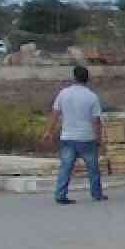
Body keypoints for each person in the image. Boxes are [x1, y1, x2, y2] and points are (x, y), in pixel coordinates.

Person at [44, 65, 106, 204]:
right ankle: (97, 194)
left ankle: (60, 194)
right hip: (86, 138)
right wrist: (99, 139)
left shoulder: (63, 93)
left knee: (65, 167)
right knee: (93, 168)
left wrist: (48, 131)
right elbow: (96, 121)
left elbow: (55, 114)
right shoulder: (92, 97)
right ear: (87, 79)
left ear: (74, 77)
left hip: (67, 137)